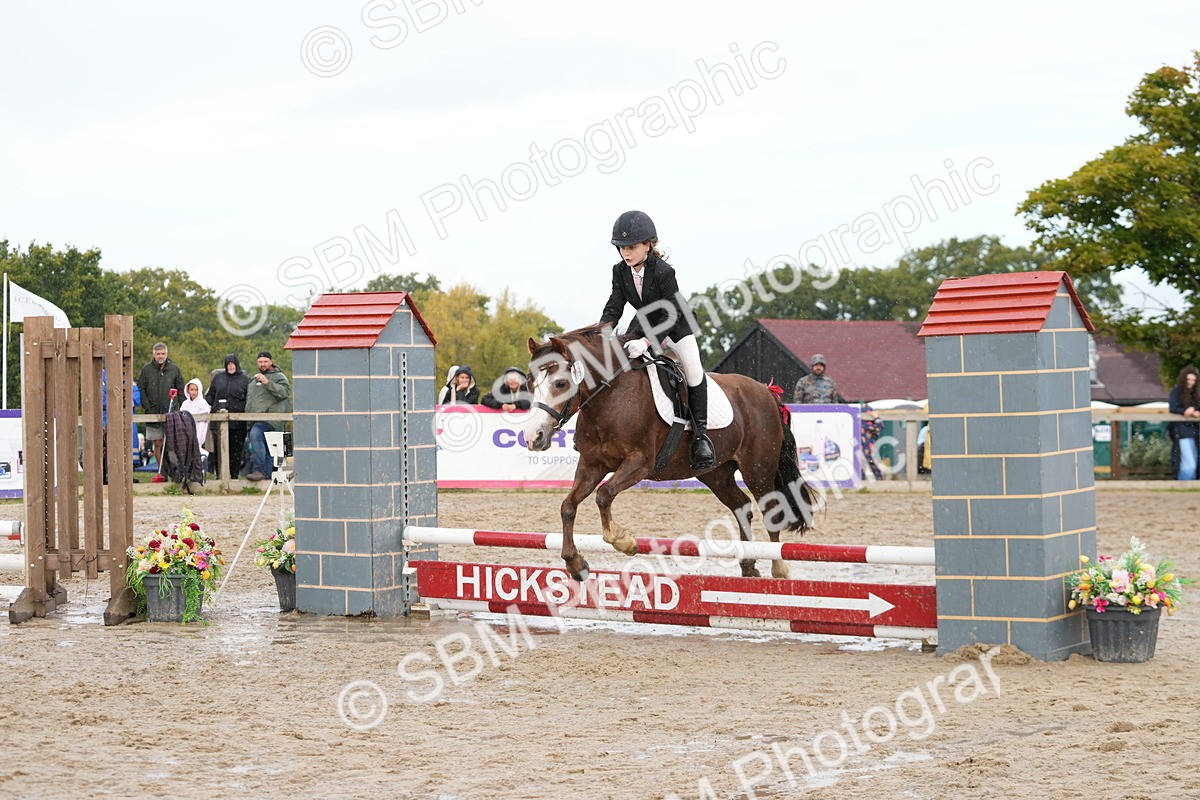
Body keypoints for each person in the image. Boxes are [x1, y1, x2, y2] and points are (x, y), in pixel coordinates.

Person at [599, 210, 714, 470]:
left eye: (631, 247)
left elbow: (669, 314)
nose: (626, 253)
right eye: (621, 248)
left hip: (676, 325)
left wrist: (648, 343)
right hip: (646, 322)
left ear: (648, 245)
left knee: (694, 372)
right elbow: (614, 306)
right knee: (618, 363)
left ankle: (701, 437)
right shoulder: (620, 271)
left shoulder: (663, 272)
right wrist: (601, 332)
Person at [244, 351, 291, 481]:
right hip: (254, 419)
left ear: (271, 362)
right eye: (260, 361)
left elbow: (285, 392)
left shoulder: (279, 376)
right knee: (268, 449)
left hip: (271, 419)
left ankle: (259, 470)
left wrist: (267, 382)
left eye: (265, 361)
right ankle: (267, 477)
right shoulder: (254, 380)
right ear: (257, 363)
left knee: (256, 435)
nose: (262, 364)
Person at [136, 342, 185, 469]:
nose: (160, 356)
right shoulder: (146, 370)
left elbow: (180, 389)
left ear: (166, 354)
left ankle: (173, 469)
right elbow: (141, 388)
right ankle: (161, 470)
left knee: (171, 444)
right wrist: (147, 406)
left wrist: (182, 408)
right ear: (154, 355)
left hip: (170, 412)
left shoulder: (174, 369)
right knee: (157, 443)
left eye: (162, 353)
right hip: (152, 412)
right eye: (158, 354)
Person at [205, 354, 250, 478]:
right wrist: (211, 406)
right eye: (228, 364)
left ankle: (234, 476)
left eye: (232, 363)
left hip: (238, 422)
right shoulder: (218, 378)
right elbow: (210, 395)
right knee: (219, 450)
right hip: (218, 420)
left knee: (236, 451)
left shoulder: (245, 379)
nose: (230, 366)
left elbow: (249, 398)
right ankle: (220, 476)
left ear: (236, 364)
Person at [1168, 365, 1200, 481]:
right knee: (1188, 462)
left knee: (1193, 459)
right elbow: (1173, 407)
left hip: (1194, 429)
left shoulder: (1196, 393)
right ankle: (1183, 481)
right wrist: (1187, 411)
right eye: (1188, 380)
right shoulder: (1177, 391)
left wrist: (1195, 411)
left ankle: (1187, 481)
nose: (1191, 383)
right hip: (1181, 429)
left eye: (1193, 380)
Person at [180, 378, 211, 453]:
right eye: (192, 389)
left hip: (197, 436)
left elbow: (202, 425)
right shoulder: (185, 403)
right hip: (185, 436)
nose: (194, 392)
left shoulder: (203, 404)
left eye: (196, 389)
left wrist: (198, 439)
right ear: (188, 390)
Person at [859, 404, 884, 480]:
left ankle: (878, 479)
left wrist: (876, 417)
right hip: (863, 447)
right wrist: (876, 417)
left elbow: (880, 427)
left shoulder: (867, 423)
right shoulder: (864, 423)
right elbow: (880, 426)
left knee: (871, 463)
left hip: (868, 447)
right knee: (862, 465)